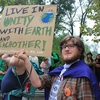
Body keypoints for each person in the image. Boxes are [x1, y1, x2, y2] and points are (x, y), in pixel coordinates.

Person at [11, 36, 100, 99]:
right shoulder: (58, 72)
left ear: (80, 50)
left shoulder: (83, 74)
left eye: (71, 46)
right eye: (64, 47)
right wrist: (26, 60)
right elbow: (38, 83)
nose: (66, 49)